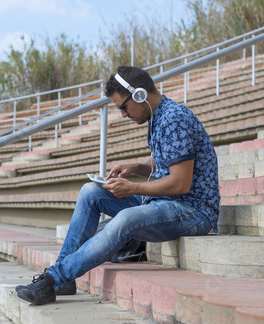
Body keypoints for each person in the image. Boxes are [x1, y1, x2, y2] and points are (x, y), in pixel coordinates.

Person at [16, 66, 220, 305]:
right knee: (91, 192)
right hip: (164, 203)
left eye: (123, 106)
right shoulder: (158, 116)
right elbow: (169, 160)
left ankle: (53, 279)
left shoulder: (175, 119)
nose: (123, 114)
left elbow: (180, 182)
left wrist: (132, 187)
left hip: (194, 211)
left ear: (140, 95)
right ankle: (64, 280)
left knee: (124, 219)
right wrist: (135, 166)